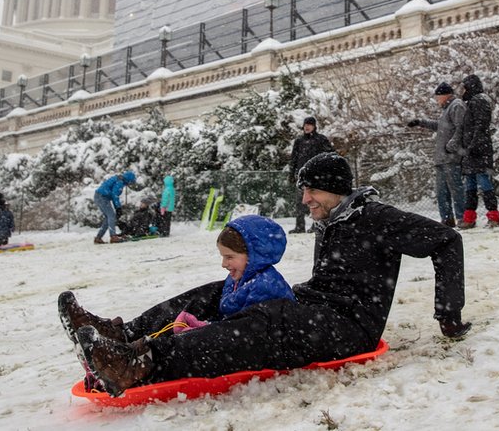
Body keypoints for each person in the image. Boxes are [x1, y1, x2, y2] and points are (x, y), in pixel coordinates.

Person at [58, 151, 470, 398]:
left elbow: (446, 240)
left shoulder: (377, 218)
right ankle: (123, 335)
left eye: (311, 191)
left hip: (349, 325)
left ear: (333, 188)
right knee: (223, 290)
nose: (305, 199)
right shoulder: (335, 218)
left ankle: (141, 364)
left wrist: (448, 313)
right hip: (315, 306)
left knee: (262, 325)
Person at [407, 81, 466, 228]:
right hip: (441, 159)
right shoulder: (446, 109)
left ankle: (462, 217)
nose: (436, 100)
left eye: (437, 97)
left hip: (451, 157)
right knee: (442, 192)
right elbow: (440, 126)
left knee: (456, 189)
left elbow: (461, 128)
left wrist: (451, 146)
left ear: (445, 95)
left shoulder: (456, 106)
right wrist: (420, 122)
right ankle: (447, 219)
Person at [459, 74, 499, 228]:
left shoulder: (478, 102)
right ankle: (469, 217)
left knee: (483, 184)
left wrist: (473, 146)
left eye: (464, 88)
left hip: (478, 151)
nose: (462, 91)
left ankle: (493, 216)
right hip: (472, 151)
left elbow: (480, 126)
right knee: (470, 186)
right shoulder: (472, 103)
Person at [287, 116, 334, 233]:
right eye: (305, 124)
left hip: (316, 176)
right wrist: (291, 173)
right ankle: (299, 226)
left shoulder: (321, 139)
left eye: (309, 124)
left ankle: (316, 225)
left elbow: (330, 155)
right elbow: (294, 158)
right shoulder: (299, 141)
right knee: (300, 202)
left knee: (315, 201)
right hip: (301, 175)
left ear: (314, 126)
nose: (307, 127)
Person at [94, 170, 136, 244]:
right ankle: (113, 236)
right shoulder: (120, 182)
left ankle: (98, 238)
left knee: (108, 217)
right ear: (128, 180)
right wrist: (118, 208)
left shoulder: (119, 179)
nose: (130, 184)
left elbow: (113, 195)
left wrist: (117, 207)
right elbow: (115, 195)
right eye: (131, 182)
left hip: (99, 196)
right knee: (111, 216)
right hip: (102, 197)